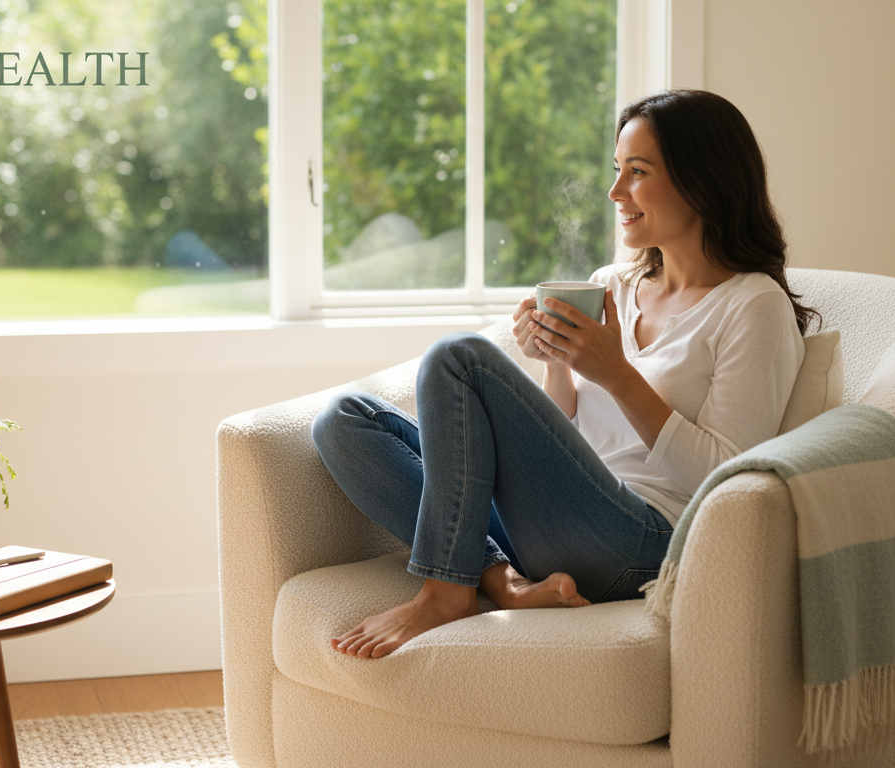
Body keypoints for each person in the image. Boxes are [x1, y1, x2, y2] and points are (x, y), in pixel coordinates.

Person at [311, 90, 819, 659]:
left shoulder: (753, 306)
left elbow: (727, 481)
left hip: (645, 540)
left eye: (637, 172)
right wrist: (558, 364)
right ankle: (504, 581)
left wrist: (618, 374)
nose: (615, 192)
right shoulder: (615, 285)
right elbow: (573, 437)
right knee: (343, 420)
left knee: (458, 358)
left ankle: (446, 591)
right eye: (616, 171)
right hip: (558, 523)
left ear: (702, 182)